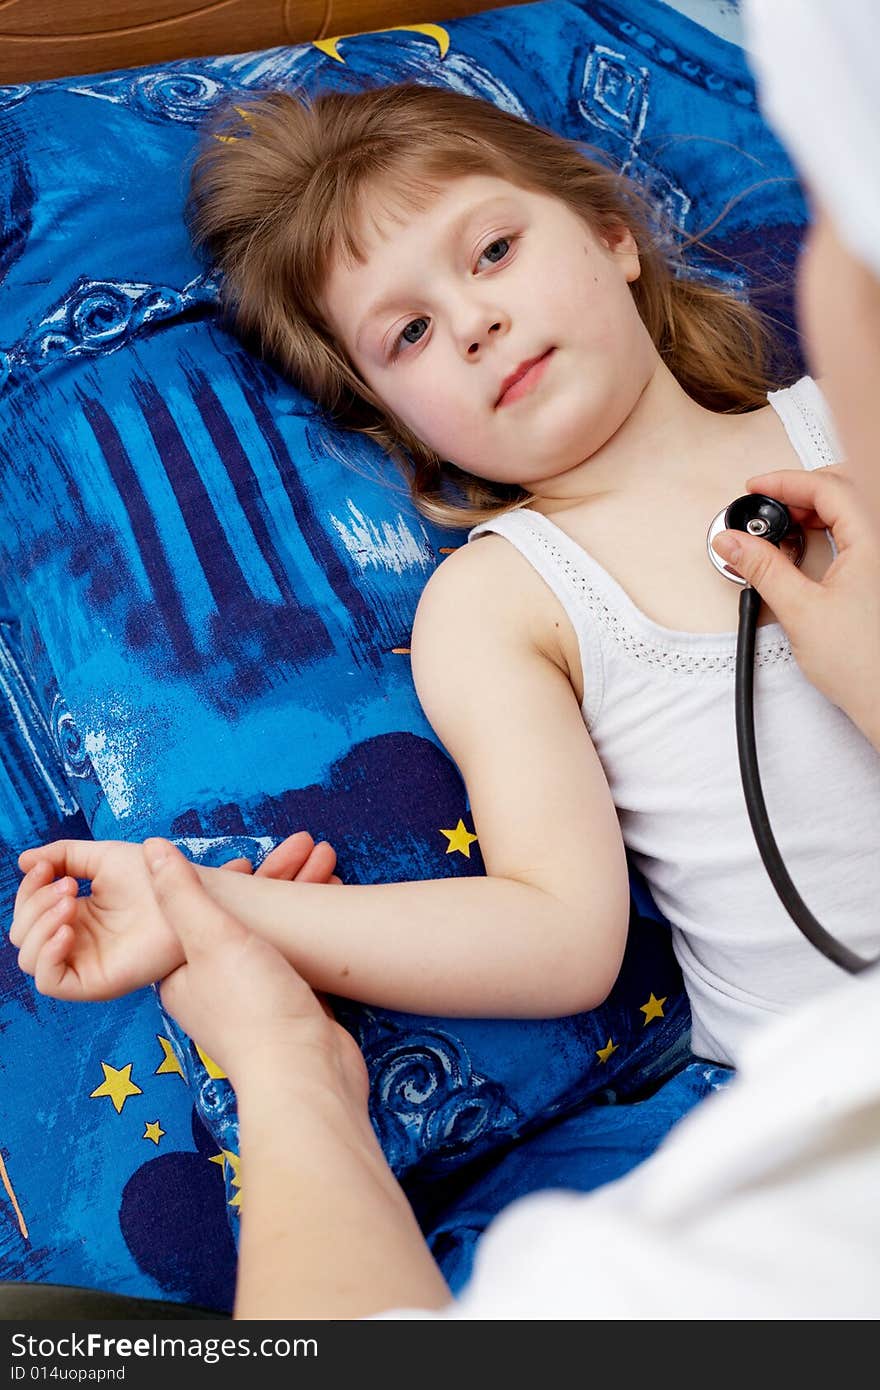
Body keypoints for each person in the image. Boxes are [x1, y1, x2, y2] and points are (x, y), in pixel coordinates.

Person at [8, 7, 880, 1312]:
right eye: (404, 335)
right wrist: (211, 903)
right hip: (816, 1108)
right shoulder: (509, 597)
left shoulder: (846, 414)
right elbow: (555, 933)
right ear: (390, 414)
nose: (471, 322)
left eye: (493, 249)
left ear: (611, 233)